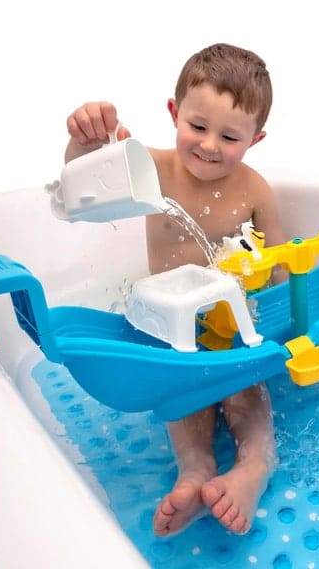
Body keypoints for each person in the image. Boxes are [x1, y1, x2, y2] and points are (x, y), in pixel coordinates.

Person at [64, 43, 287, 537]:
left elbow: (280, 267)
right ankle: (197, 468)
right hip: (168, 327)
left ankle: (254, 466)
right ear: (174, 112)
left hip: (231, 324)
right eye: (198, 127)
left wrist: (301, 326)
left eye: (230, 136)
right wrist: (84, 142)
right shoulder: (152, 168)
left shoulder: (255, 190)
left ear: (257, 138)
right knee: (180, 391)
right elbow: (85, 185)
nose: (209, 145)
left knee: (244, 387)